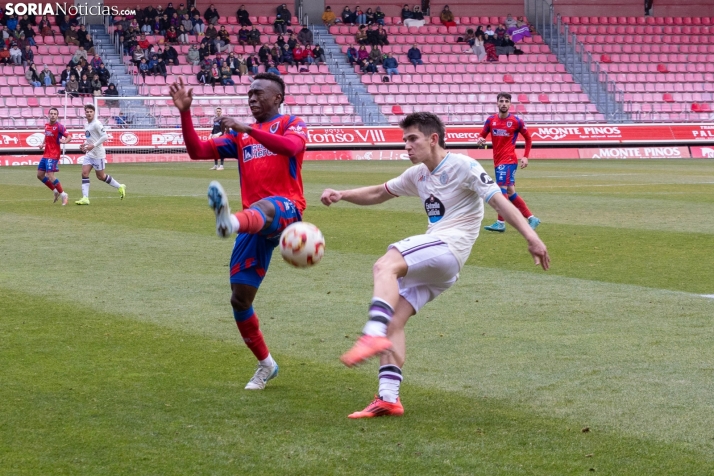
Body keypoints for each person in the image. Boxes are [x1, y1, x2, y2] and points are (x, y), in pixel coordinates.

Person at [319, 112, 550, 418]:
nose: (406, 146)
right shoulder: (418, 175)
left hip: (448, 248)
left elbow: (499, 201)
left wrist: (532, 237)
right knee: (394, 320)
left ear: (433, 139)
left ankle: (371, 333)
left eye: (412, 139)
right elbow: (378, 192)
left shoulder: (463, 165)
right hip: (439, 266)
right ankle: (389, 398)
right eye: (404, 140)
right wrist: (342, 194)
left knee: (384, 265)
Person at [168, 73, 309, 390]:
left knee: (269, 205)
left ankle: (228, 223)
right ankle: (266, 364)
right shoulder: (240, 138)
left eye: (259, 92)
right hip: (253, 222)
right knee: (239, 299)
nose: (252, 97)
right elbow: (197, 151)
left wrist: (248, 130)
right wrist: (184, 113)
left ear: (277, 98)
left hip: (288, 212)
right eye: (249, 93)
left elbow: (290, 148)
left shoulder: (290, 123)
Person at [478, 93, 540, 232]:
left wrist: (525, 156)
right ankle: (532, 218)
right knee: (511, 192)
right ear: (497, 104)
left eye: (507, 101)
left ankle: (500, 223)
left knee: (501, 190)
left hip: (509, 160)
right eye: (501, 101)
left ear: (510, 104)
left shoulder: (516, 121)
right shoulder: (490, 120)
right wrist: (480, 140)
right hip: (498, 160)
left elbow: (528, 139)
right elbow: (482, 134)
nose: (504, 103)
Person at [75, 104, 126, 205]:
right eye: (87, 112)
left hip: (98, 154)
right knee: (84, 173)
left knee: (101, 176)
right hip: (90, 154)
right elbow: (90, 138)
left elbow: (105, 137)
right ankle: (85, 198)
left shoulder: (97, 124)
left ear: (94, 113)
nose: (89, 113)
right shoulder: (86, 124)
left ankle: (120, 186)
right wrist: (84, 144)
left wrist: (93, 145)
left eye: (91, 111)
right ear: (85, 113)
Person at [37, 107, 70, 205]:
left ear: (57, 116)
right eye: (51, 113)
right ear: (49, 115)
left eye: (55, 114)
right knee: (40, 175)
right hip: (46, 154)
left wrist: (64, 141)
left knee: (50, 175)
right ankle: (55, 191)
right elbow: (46, 136)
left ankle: (63, 194)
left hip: (54, 154)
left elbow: (69, 137)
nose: (53, 115)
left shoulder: (59, 126)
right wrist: (43, 144)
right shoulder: (46, 125)